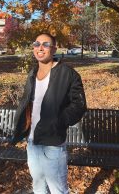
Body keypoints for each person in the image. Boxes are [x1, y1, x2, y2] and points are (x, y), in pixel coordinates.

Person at [12, 32, 87, 194]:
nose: (40, 48)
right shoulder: (32, 74)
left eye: (45, 44)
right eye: (36, 44)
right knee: (38, 186)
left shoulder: (68, 74)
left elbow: (79, 105)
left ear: (54, 49)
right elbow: (29, 103)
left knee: (57, 189)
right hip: (32, 141)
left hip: (52, 143)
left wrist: (58, 121)